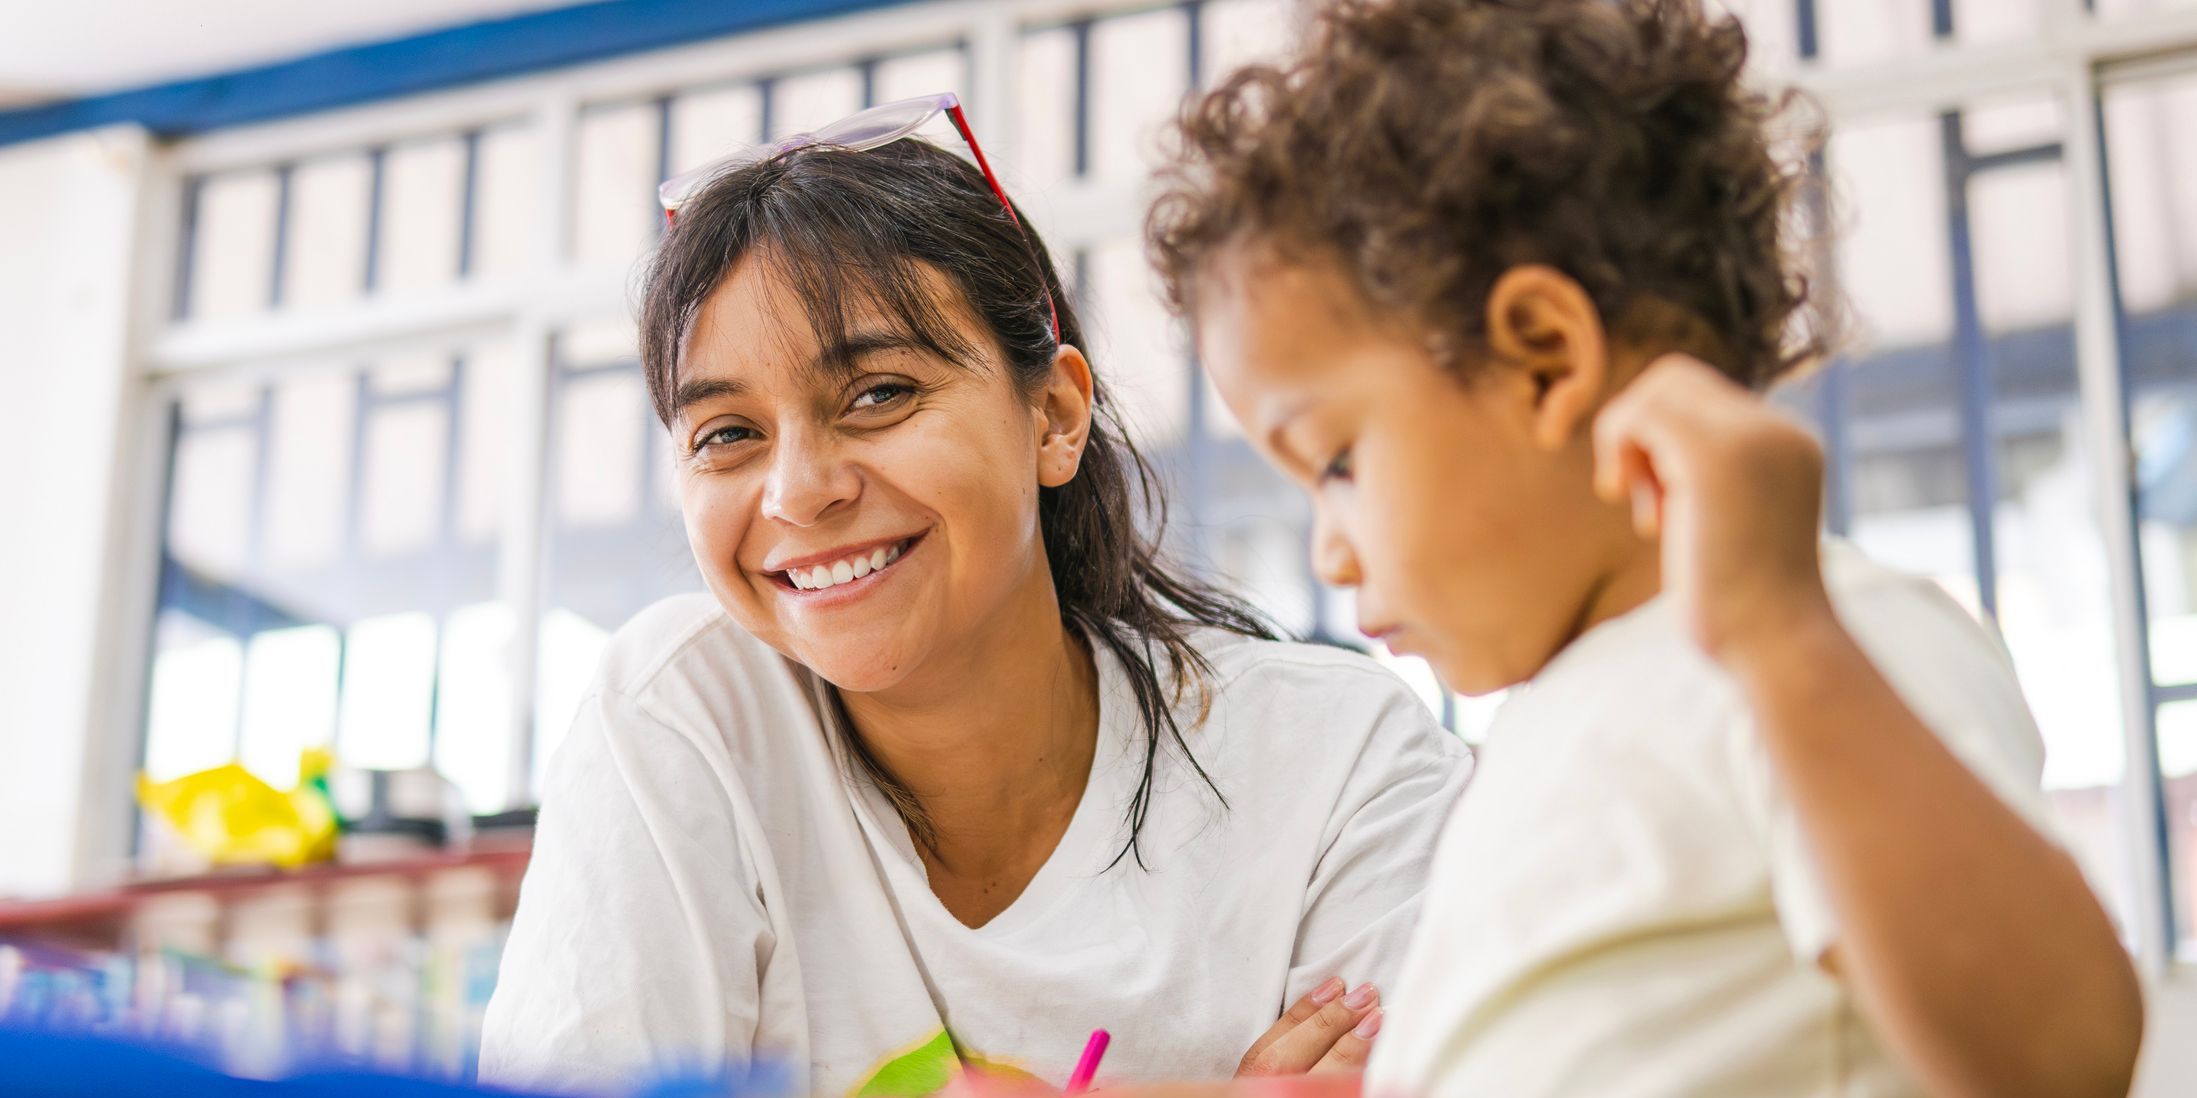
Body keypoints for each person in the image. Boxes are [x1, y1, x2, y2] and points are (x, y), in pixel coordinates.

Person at [1144, 1, 2146, 1095]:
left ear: (1541, 358)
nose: (1329, 556)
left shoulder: (1817, 641)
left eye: (1335, 462)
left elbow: (2059, 1052)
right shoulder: (1557, 720)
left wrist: (1782, 632)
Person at [478, 98, 1469, 1098]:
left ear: (1053, 415)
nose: (798, 491)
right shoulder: (681, 713)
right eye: (727, 434)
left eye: (879, 393)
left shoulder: (1338, 762)